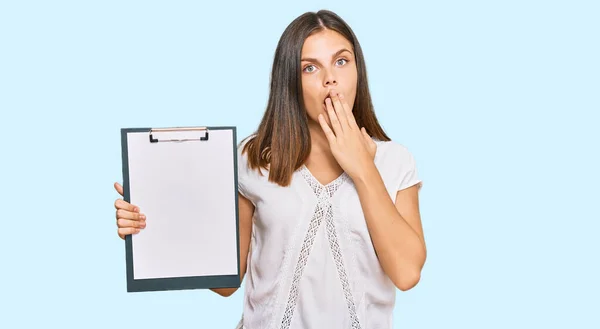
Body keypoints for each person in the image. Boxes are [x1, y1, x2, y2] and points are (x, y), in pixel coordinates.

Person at [114, 9, 426, 329]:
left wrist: (363, 167)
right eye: (309, 67)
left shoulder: (395, 161)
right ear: (290, 80)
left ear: (358, 70)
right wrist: (153, 222)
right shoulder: (254, 161)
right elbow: (226, 281)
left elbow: (406, 273)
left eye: (341, 61)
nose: (330, 78)